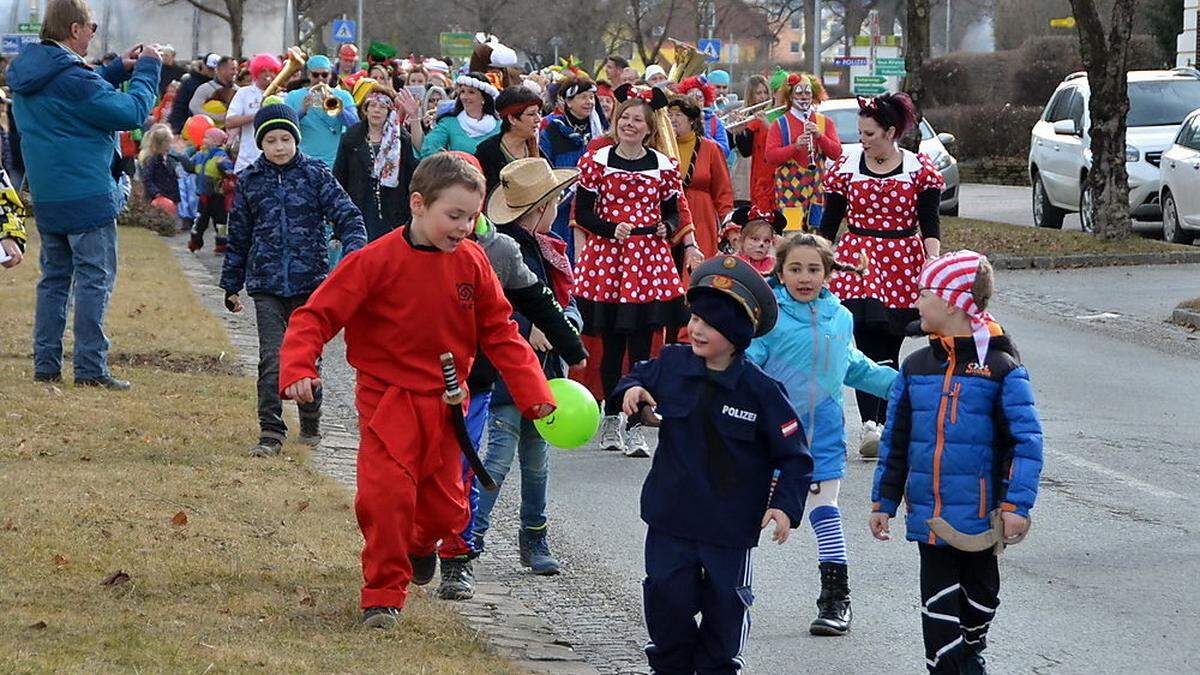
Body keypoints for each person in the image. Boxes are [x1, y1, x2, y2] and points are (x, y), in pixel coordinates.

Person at [276, 152, 555, 629]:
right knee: (385, 499)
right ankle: (382, 595)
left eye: (473, 217)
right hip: (387, 399)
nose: (465, 227)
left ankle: (422, 544)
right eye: (454, 215)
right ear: (418, 204)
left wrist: (532, 388)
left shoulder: (472, 263)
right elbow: (316, 315)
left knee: (447, 510)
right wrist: (299, 365)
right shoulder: (374, 261)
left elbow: (500, 331)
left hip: (449, 405)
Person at [615, 255, 813, 674]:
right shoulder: (671, 364)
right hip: (670, 519)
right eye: (696, 318)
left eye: (712, 323)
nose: (698, 329)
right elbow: (634, 378)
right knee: (667, 603)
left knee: (725, 610)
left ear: (739, 333)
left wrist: (784, 507)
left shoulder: (762, 391)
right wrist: (632, 392)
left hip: (729, 529)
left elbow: (795, 456)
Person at [870, 250, 1043, 674]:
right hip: (932, 518)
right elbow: (896, 440)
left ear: (951, 302)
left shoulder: (1001, 367)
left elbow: (1026, 442)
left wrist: (1017, 506)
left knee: (981, 603)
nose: (916, 301)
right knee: (939, 613)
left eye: (924, 292)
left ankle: (971, 653)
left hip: (983, 517)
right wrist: (883, 502)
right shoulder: (915, 367)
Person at [746, 234, 896, 637]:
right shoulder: (769, 317)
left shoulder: (840, 317)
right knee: (745, 516)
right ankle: (722, 591)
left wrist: (907, 386)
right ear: (779, 272)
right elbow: (747, 366)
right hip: (770, 439)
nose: (805, 277)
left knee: (826, 513)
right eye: (795, 268)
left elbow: (854, 366)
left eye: (814, 269)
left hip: (823, 438)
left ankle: (835, 600)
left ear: (829, 273)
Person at [8, 0, 162, 389]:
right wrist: (148, 69)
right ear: (75, 29)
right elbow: (128, 112)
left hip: (47, 193)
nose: (93, 35)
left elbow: (71, 93)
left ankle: (46, 364)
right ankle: (91, 368)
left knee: (54, 280)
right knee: (95, 278)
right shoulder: (74, 78)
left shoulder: (29, 70)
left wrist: (114, 69)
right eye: (91, 28)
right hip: (87, 193)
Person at [219, 103, 368, 457]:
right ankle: (270, 431)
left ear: (296, 139)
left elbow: (348, 217)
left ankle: (311, 421)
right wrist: (230, 284)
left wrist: (353, 254)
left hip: (310, 284)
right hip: (266, 284)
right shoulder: (251, 181)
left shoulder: (316, 175)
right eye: (271, 140)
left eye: (286, 138)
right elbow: (238, 236)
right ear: (261, 144)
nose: (280, 146)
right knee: (272, 358)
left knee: (306, 359)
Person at [473, 158, 585, 576]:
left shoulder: (549, 249)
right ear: (540, 208)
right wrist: (525, 327)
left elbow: (566, 304)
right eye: (556, 201)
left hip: (546, 377)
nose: (558, 208)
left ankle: (534, 537)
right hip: (508, 375)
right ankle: (471, 534)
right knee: (498, 459)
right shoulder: (502, 251)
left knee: (537, 462)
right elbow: (491, 309)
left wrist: (566, 325)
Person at [572, 89, 697, 458]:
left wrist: (666, 226)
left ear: (648, 128)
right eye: (624, 118)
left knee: (643, 345)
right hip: (609, 259)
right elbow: (583, 211)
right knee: (611, 344)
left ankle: (638, 423)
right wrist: (611, 229)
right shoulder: (597, 160)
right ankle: (611, 417)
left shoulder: (662, 164)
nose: (629, 124)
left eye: (637, 120)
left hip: (648, 261)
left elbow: (674, 209)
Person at [818, 92, 943, 459]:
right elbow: (829, 223)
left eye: (870, 134)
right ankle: (870, 424)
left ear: (891, 132)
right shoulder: (846, 168)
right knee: (863, 338)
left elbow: (929, 222)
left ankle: (885, 424)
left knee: (890, 341)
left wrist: (932, 261)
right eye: (860, 133)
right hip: (858, 260)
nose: (863, 140)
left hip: (902, 260)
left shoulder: (919, 171)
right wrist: (818, 258)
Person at [334, 85, 418, 241]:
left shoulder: (401, 139)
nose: (376, 110)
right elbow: (340, 175)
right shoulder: (351, 138)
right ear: (365, 110)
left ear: (389, 111)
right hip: (360, 206)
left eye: (382, 106)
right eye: (372, 105)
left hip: (394, 210)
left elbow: (411, 175)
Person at [765, 72, 840, 234]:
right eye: (799, 92)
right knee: (792, 235)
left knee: (816, 235)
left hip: (817, 190)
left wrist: (820, 136)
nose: (804, 96)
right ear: (790, 96)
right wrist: (795, 146)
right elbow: (770, 156)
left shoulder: (824, 122)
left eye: (808, 92)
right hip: (789, 190)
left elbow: (836, 153)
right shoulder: (780, 123)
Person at [539, 75, 604, 261]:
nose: (589, 102)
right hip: (561, 205)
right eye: (583, 97)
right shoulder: (551, 129)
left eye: (592, 97)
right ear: (568, 101)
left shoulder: (599, 129)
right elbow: (546, 166)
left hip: (591, 205)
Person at [667, 94, 732, 258]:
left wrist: (728, 223)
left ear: (691, 120)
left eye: (678, 115)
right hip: (668, 217)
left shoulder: (710, 148)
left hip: (702, 217)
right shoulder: (660, 148)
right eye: (669, 115)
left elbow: (723, 190)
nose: (673, 119)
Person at [284, 54, 359, 169]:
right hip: (303, 162)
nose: (320, 79)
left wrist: (337, 108)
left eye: (324, 75)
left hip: (333, 163)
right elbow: (284, 126)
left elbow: (355, 125)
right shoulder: (293, 96)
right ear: (309, 74)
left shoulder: (343, 96)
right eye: (315, 75)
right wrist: (302, 111)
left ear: (330, 75)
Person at [474, 85, 542, 193]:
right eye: (531, 114)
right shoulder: (487, 152)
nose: (538, 119)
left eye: (539, 113)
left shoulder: (534, 147)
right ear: (512, 119)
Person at [419, 72, 500, 157]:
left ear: (484, 97)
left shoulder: (499, 126)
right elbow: (428, 150)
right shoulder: (449, 123)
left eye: (471, 92)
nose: (465, 97)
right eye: (462, 92)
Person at [226, 53, 281, 172]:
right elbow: (229, 122)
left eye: (271, 71)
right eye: (263, 71)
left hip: (276, 161)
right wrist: (257, 115)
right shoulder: (244, 93)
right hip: (248, 160)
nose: (267, 75)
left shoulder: (282, 96)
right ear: (256, 73)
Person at [732, 73, 777, 214]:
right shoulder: (746, 116)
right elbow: (746, 151)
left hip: (769, 174)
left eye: (765, 92)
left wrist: (766, 124)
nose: (763, 97)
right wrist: (739, 131)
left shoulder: (774, 116)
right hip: (748, 175)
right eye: (758, 93)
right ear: (750, 96)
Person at [188, 127, 235, 253]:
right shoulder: (200, 155)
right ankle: (195, 241)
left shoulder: (221, 155)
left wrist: (223, 166)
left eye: (206, 138)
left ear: (216, 141)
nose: (203, 140)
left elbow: (229, 170)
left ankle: (222, 244)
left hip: (218, 196)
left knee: (221, 222)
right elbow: (190, 166)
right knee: (199, 220)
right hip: (203, 196)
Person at [678, 76, 731, 159]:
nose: (695, 102)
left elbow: (725, 152)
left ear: (704, 100)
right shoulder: (677, 120)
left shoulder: (714, 121)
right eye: (690, 98)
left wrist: (704, 133)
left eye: (699, 98)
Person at [725, 205, 783, 275]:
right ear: (742, 240)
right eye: (755, 239)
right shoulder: (732, 263)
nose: (761, 244)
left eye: (766, 241)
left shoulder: (774, 265)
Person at [168, 53, 217, 133]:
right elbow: (180, 105)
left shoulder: (220, 84)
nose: (213, 72)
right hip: (189, 126)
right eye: (210, 68)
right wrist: (178, 127)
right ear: (203, 65)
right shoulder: (190, 82)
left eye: (215, 69)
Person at [137, 123, 182, 211]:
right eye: (169, 143)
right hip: (158, 196)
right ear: (163, 143)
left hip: (170, 195)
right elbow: (147, 178)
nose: (171, 145)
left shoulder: (169, 158)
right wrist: (156, 192)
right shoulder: (153, 159)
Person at [188, 55, 237, 125]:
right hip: (208, 131)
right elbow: (194, 108)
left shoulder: (239, 90)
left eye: (236, 69)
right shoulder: (205, 88)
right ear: (222, 70)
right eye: (233, 69)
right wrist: (219, 117)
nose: (236, 72)